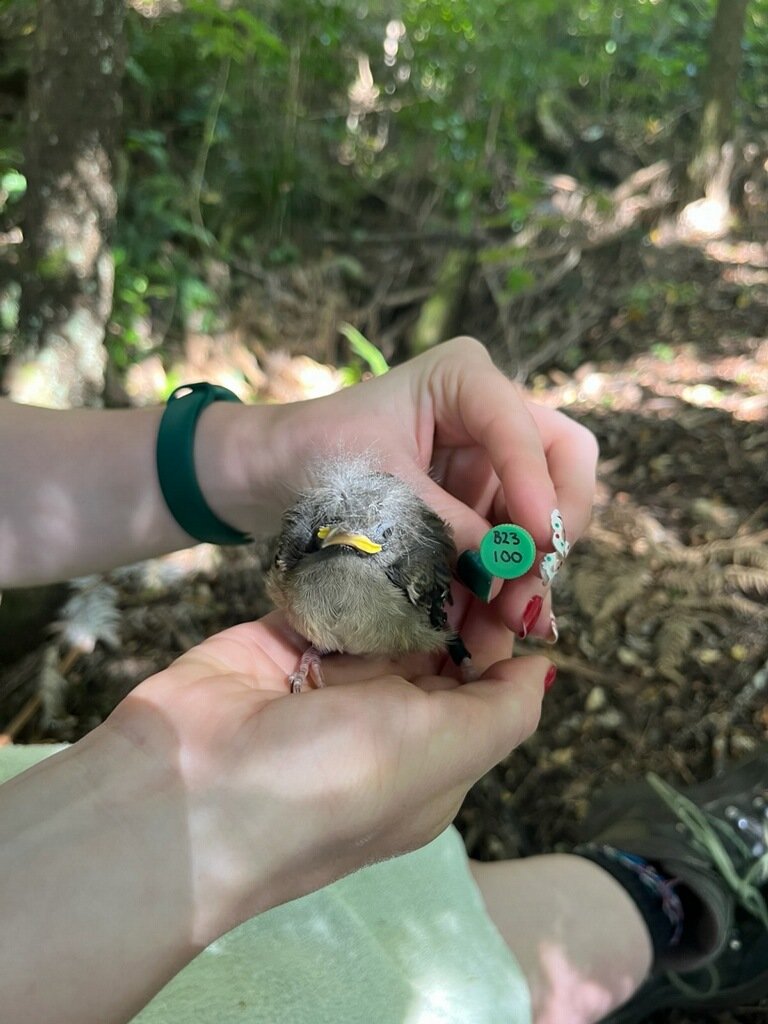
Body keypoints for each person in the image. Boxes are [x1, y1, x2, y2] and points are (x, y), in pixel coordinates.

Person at [0, 337, 766, 1024]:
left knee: (418, 909)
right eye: (326, 535)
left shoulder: (412, 578)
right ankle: (656, 897)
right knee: (405, 963)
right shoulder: (304, 562)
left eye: (364, 540)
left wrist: (256, 445)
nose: (341, 541)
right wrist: (192, 813)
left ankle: (648, 890)